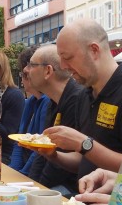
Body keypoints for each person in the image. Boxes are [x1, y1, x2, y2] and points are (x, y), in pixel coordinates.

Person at [36, 18, 122, 185]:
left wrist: (83, 143)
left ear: (94, 50)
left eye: (67, 57)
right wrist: (53, 155)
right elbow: (84, 160)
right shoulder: (84, 95)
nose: (63, 66)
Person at [21, 44, 83, 195]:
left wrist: (37, 192)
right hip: (56, 183)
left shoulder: (77, 100)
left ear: (48, 71)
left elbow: (60, 167)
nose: (26, 70)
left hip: (73, 189)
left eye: (31, 65)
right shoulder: (53, 101)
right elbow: (43, 153)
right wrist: (32, 186)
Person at [9, 46, 50, 175]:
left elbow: (39, 149)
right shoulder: (30, 102)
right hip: (25, 171)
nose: (22, 79)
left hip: (35, 174)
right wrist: (13, 172)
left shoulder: (47, 102)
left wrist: (21, 175)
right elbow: (19, 142)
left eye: (23, 74)